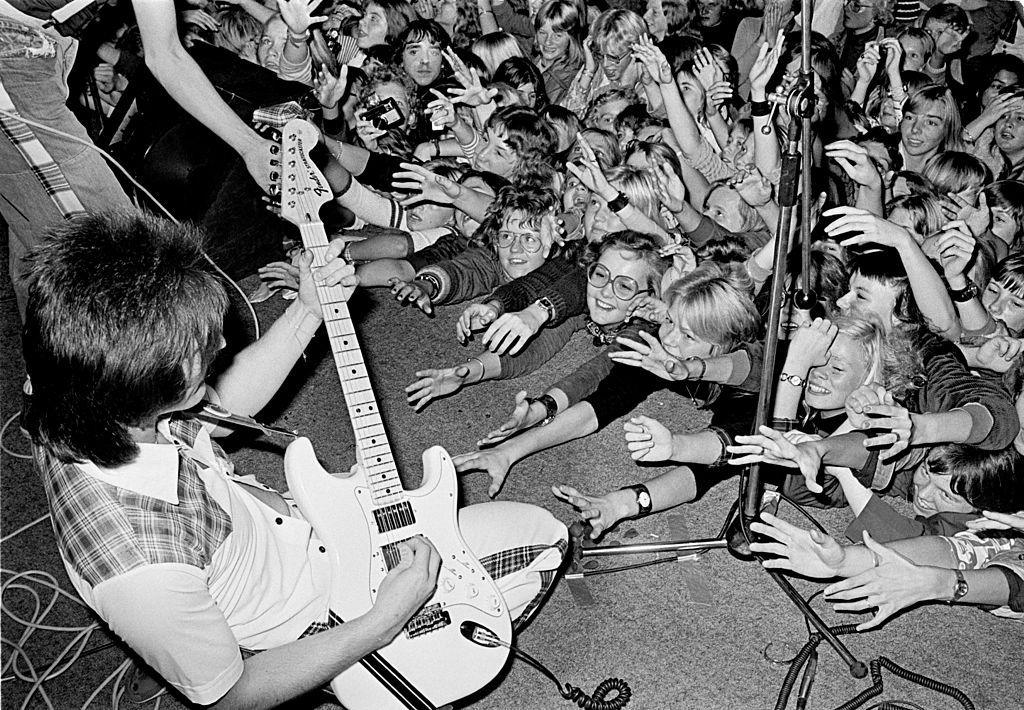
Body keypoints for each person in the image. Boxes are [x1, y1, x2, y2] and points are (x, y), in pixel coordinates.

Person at [22, 209, 567, 707]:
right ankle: (334, 670)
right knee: (548, 539)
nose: (219, 344)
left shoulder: (76, 391)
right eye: (200, 349)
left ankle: (182, 648)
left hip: (275, 530)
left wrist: (309, 310)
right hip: (313, 614)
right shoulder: (141, 570)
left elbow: (219, 407)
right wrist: (385, 619)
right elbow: (234, 698)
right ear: (143, 386)